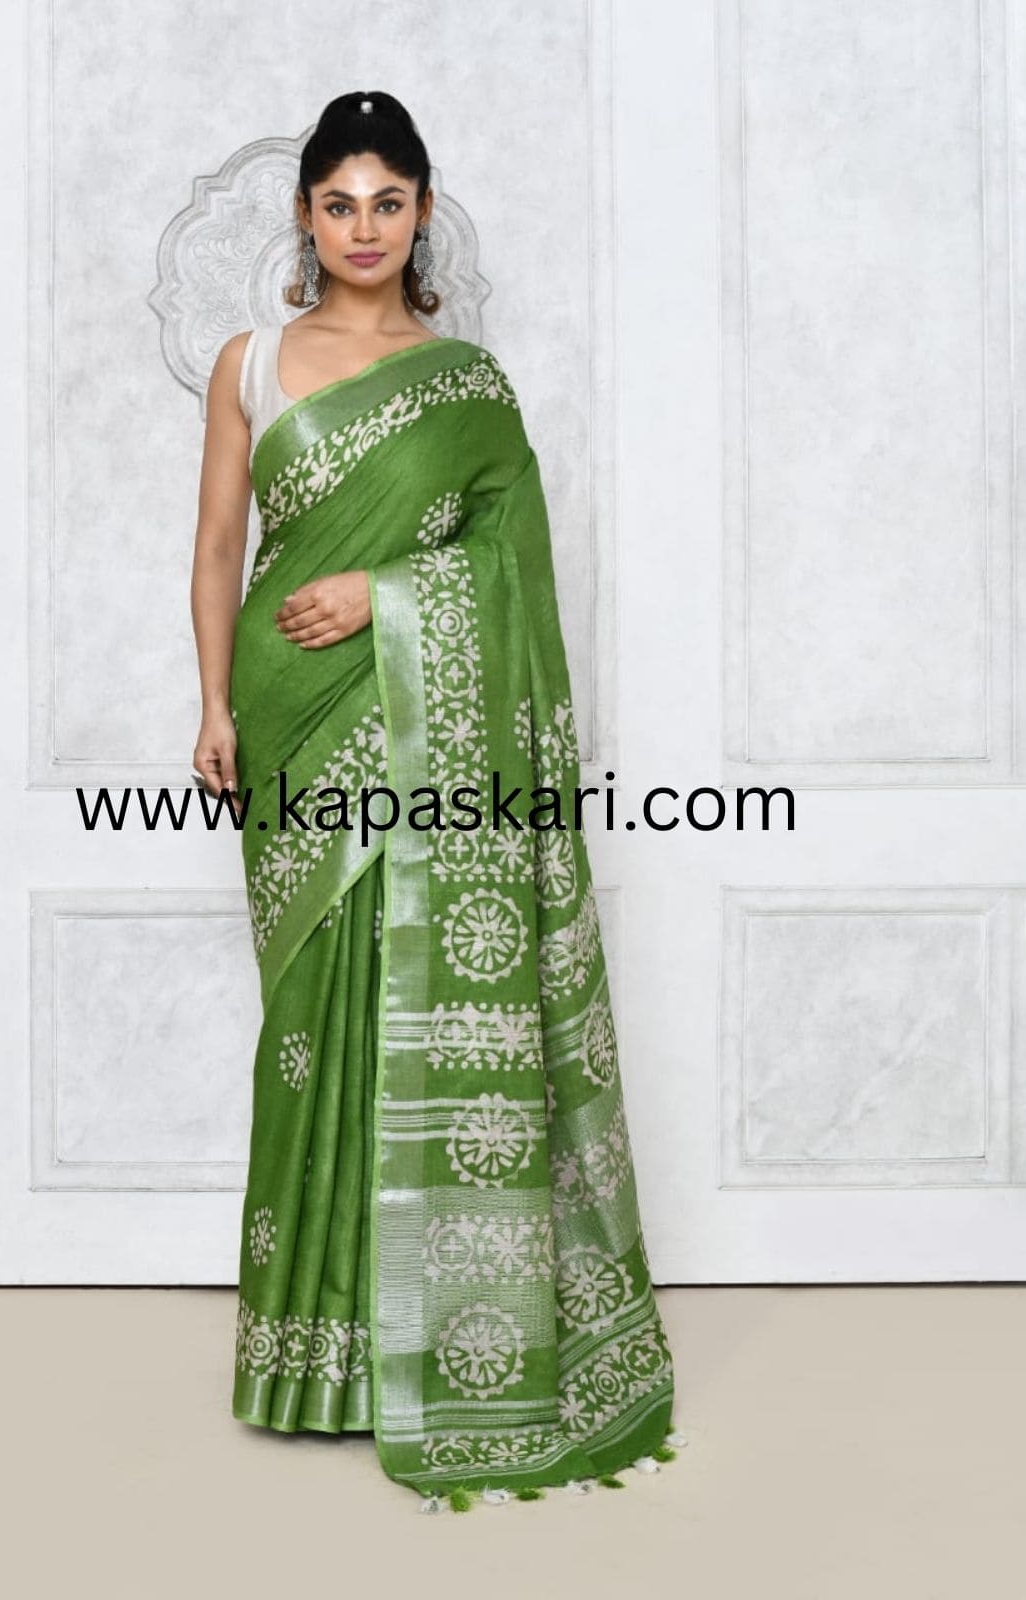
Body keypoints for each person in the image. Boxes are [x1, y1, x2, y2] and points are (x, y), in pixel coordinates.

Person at [189, 89, 681, 1511]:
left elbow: (514, 571)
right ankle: (314, 1354)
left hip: (420, 735)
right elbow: (217, 545)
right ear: (304, 214)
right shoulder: (250, 363)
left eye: (388, 203)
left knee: (405, 996)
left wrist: (385, 594)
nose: (364, 229)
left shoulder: (468, 384)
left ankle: (413, 1347)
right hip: (292, 722)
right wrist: (215, 706)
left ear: (420, 210)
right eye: (338, 204)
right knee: (311, 1018)